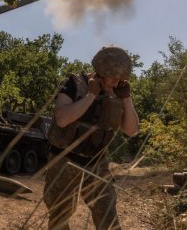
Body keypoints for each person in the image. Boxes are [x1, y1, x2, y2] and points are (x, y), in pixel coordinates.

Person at [44, 46, 139, 230]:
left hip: (96, 164)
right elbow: (62, 119)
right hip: (64, 161)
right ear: (100, 72)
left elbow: (131, 130)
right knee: (59, 217)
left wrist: (126, 99)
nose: (115, 82)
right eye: (112, 77)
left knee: (108, 216)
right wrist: (91, 95)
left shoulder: (117, 92)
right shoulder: (73, 84)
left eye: (120, 79)